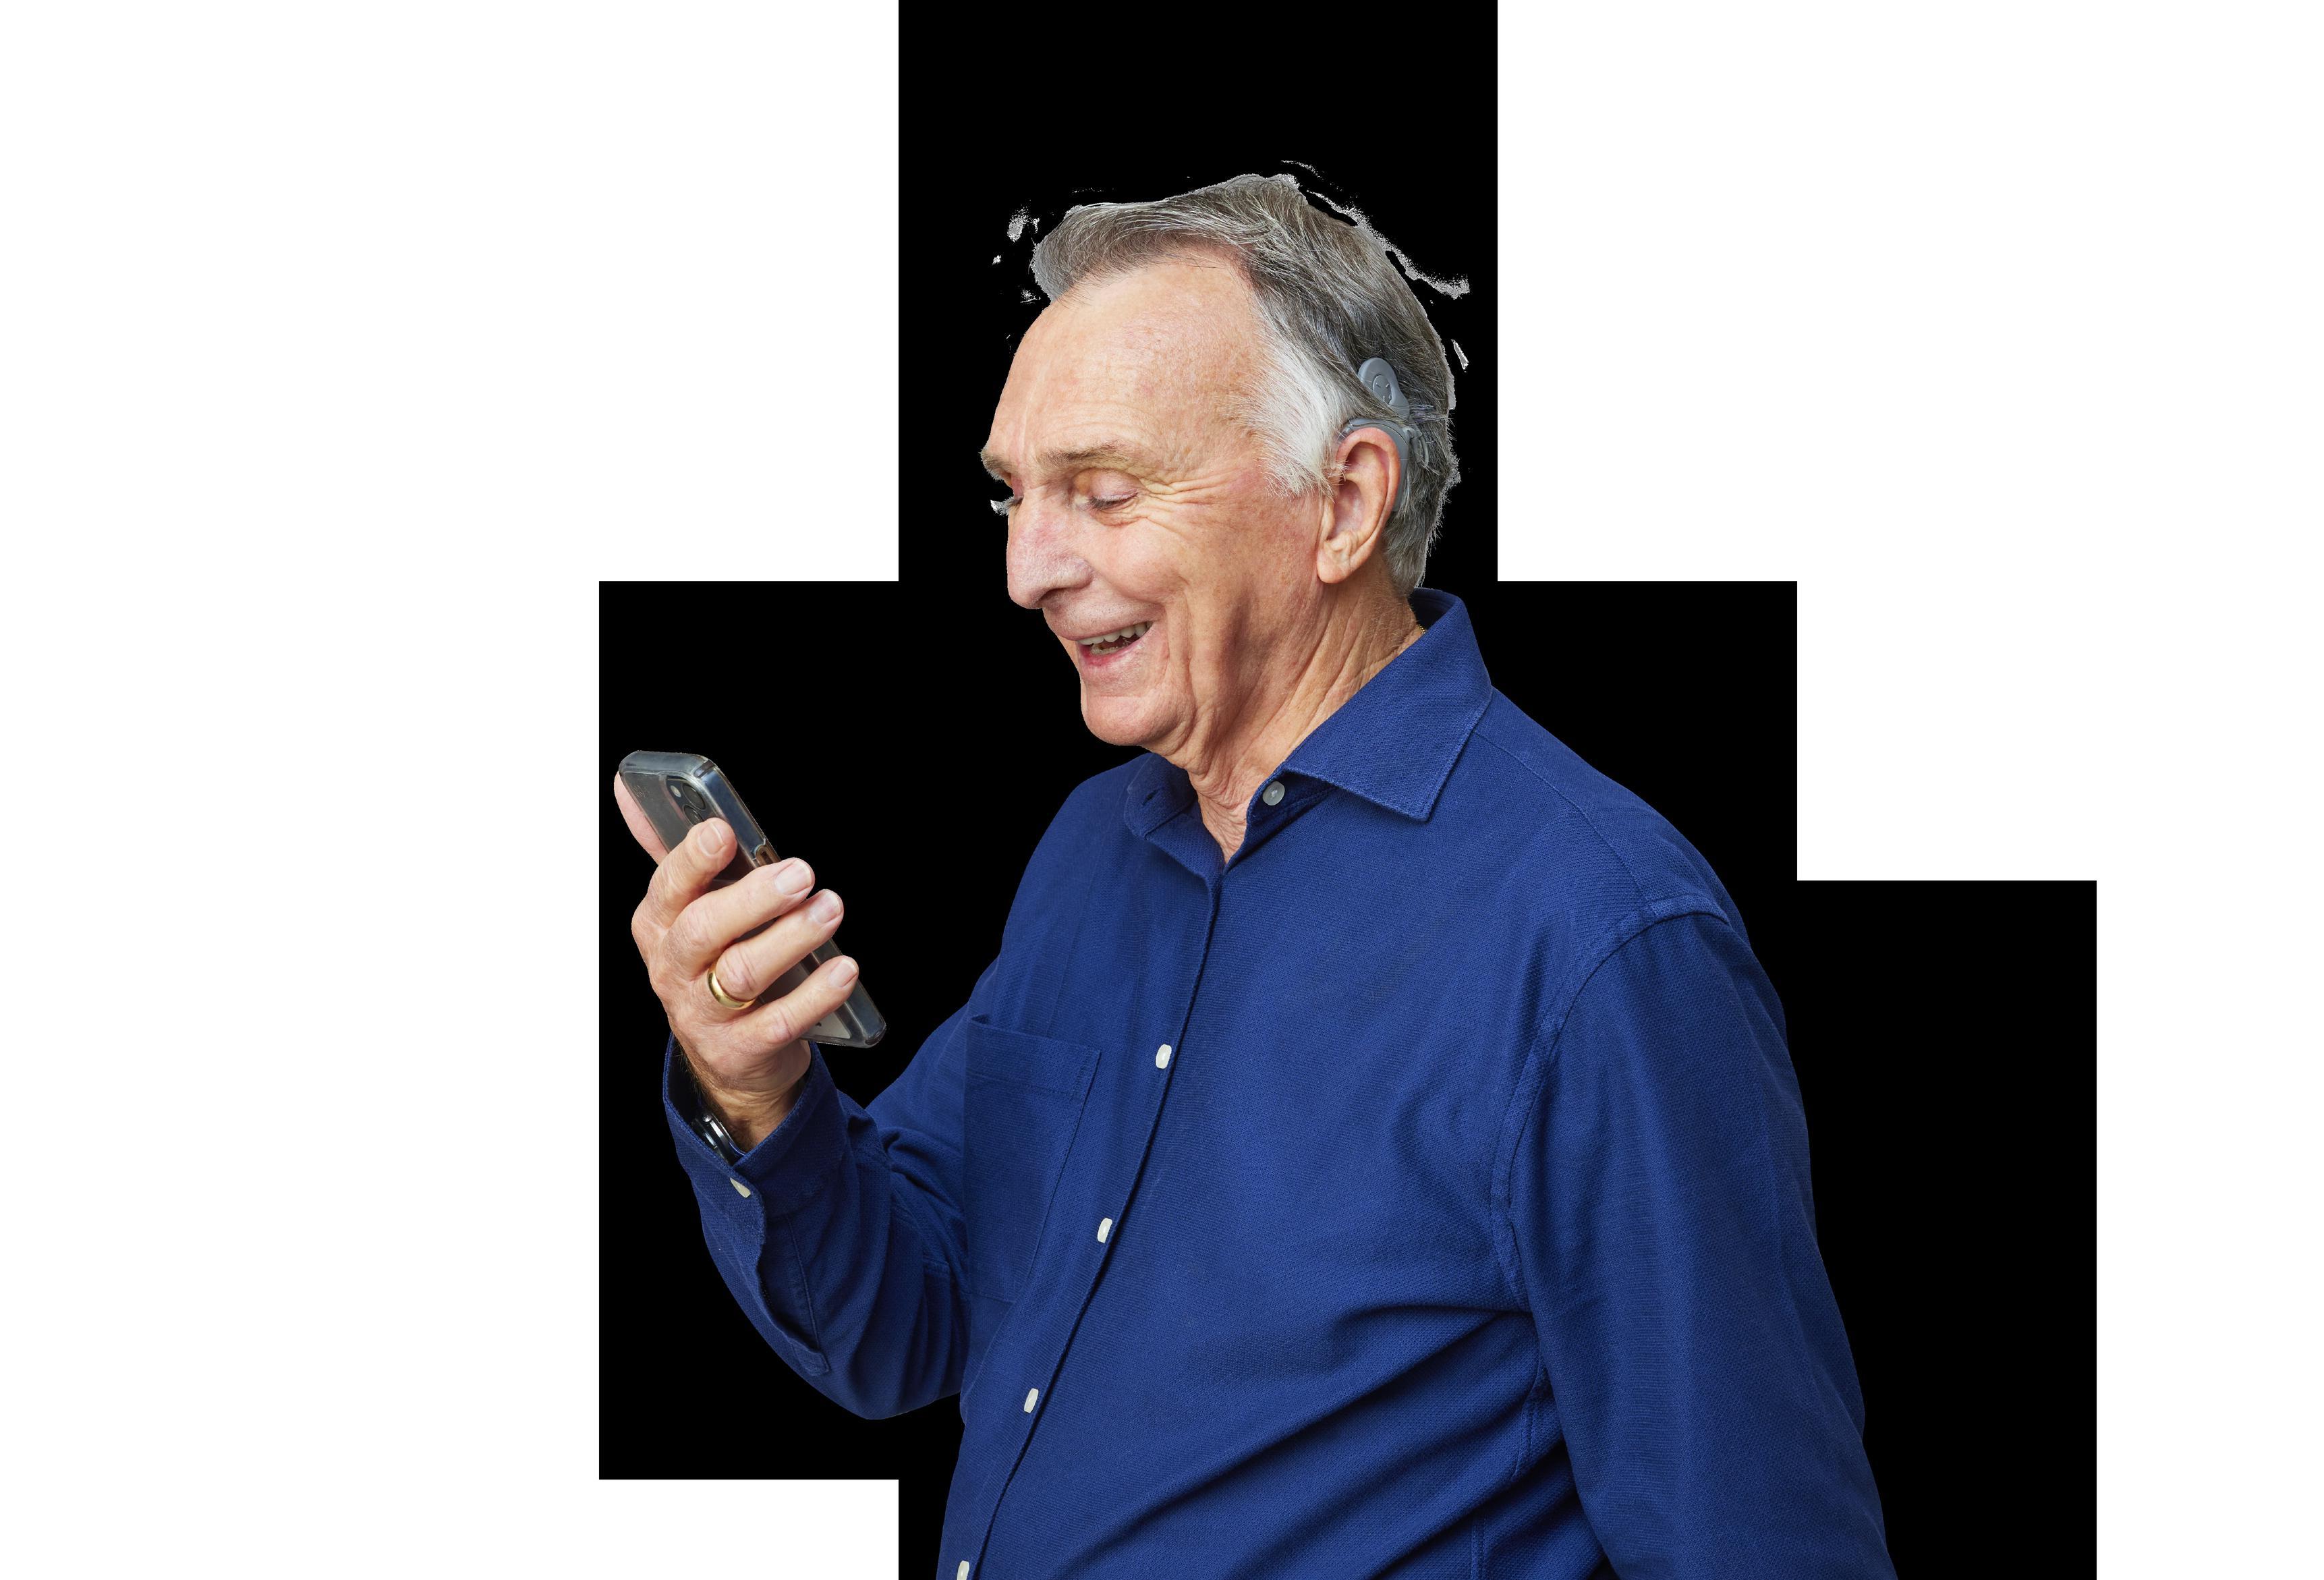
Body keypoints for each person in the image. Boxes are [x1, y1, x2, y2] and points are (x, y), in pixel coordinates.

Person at [615, 174, 1896, 1578]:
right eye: (1013, 494)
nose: (1026, 569)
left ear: (1343, 503)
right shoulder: (1092, 849)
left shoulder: (1604, 939)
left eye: (1104, 491)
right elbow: (904, 1322)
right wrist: (760, 1095)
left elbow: (1761, 1546)